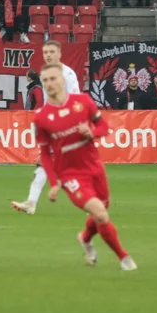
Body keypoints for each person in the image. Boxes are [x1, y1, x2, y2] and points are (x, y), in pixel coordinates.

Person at [32, 62, 136, 270]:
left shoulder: (83, 102)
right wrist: (54, 183)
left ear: (63, 80)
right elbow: (44, 154)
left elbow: (104, 126)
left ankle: (86, 238)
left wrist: (92, 132)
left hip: (94, 167)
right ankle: (124, 258)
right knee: (100, 214)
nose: (49, 84)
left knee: (102, 209)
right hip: (70, 174)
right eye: (45, 80)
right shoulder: (41, 118)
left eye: (53, 79)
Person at [12, 40, 81, 215]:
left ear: (59, 54)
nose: (48, 55)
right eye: (45, 52)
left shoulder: (68, 74)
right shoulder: (45, 74)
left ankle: (93, 199)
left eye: (51, 52)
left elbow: (75, 101)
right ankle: (31, 202)